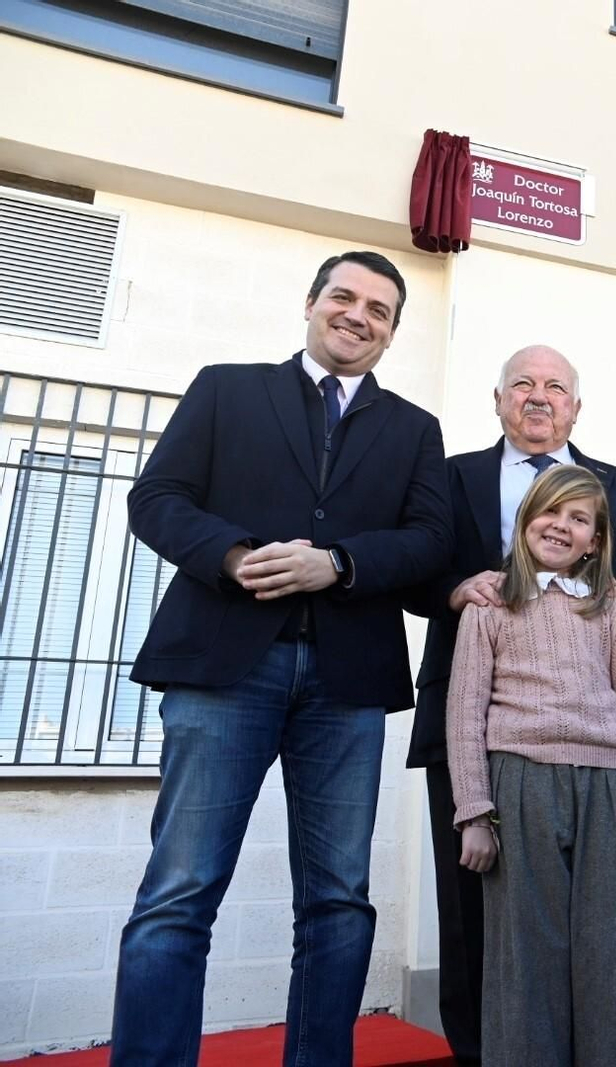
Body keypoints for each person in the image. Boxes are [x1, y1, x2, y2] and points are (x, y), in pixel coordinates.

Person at [111, 251, 451, 1065]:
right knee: (179, 895)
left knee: (339, 902)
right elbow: (155, 499)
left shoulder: (414, 429)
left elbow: (432, 542)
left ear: (393, 331)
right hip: (224, 668)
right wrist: (231, 554)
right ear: (311, 302)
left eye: (379, 309)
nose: (358, 316)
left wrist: (339, 563)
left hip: (347, 684)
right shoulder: (226, 387)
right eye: (345, 297)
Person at [406, 345, 616, 1066]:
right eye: (521, 383)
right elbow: (414, 561)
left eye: (555, 386)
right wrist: (457, 590)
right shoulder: (451, 474)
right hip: (480, 724)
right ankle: (482, 1051)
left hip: (594, 739)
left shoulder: (613, 487)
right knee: (479, 914)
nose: (537, 396)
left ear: (575, 408)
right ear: (498, 401)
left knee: (605, 929)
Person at [448, 464, 616, 1067]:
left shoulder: (611, 609)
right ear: (525, 521)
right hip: (519, 781)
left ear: (595, 541)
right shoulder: (488, 605)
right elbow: (464, 714)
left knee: (612, 949)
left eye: (579, 520)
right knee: (527, 953)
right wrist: (474, 812)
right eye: (551, 512)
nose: (561, 527)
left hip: (606, 786)